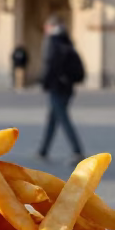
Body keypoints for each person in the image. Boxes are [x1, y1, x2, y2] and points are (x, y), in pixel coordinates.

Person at [36, 16, 86, 160]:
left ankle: (77, 150)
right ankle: (43, 150)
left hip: (57, 86)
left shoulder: (52, 41)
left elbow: (51, 63)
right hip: (67, 85)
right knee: (53, 118)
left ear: (51, 27)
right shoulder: (66, 39)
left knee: (63, 118)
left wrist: (45, 82)